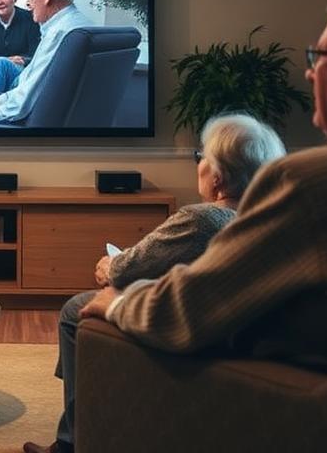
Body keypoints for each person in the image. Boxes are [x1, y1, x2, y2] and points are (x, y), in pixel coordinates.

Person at [42, 0, 327, 453]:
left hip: (291, 402)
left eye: (321, 56)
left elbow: (187, 311)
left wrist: (119, 300)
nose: (309, 71)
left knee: (86, 310)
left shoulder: (313, 180)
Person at [25, 113, 286, 453]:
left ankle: (72, 442)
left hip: (182, 331)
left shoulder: (203, 220)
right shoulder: (268, 220)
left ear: (218, 177)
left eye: (201, 156)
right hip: (229, 333)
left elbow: (124, 271)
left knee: (76, 310)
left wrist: (110, 265)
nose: (198, 164)